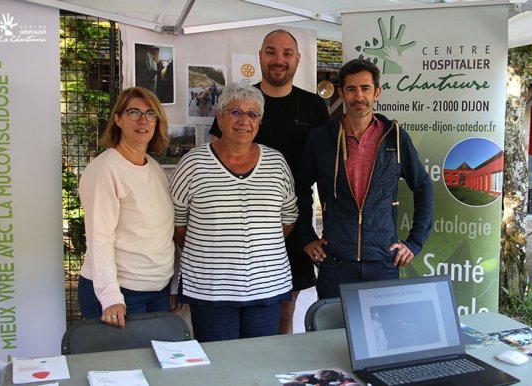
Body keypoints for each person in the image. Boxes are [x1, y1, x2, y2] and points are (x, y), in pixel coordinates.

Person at [209, 29, 329, 334]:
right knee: (232, 317)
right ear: (260, 56)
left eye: (287, 53)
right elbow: (214, 158)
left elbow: (327, 171)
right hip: (234, 232)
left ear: (298, 59)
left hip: (294, 225)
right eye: (271, 52)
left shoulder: (314, 107)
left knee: (284, 313)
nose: (279, 60)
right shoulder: (240, 104)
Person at [170, 82, 298, 342]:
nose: (244, 121)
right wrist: (214, 252)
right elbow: (177, 223)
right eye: (235, 112)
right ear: (219, 116)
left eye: (252, 115)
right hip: (210, 289)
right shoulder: (193, 163)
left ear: (259, 122)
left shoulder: (276, 162)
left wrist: (259, 247)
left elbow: (288, 217)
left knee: (259, 370)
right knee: (219, 368)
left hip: (267, 286)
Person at [297, 59, 433, 299]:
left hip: (383, 261)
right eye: (351, 89)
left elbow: (422, 186)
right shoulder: (321, 139)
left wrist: (415, 242)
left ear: (377, 92)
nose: (358, 96)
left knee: (381, 335)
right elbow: (300, 187)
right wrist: (307, 236)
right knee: (332, 334)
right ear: (341, 93)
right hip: (336, 262)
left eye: (365, 88)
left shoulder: (396, 138)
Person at [78, 87, 175, 328]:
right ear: (118, 119)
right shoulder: (105, 170)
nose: (143, 120)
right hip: (122, 296)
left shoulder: (153, 167)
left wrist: (171, 284)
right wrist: (110, 297)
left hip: (157, 292)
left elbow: (162, 232)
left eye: (151, 114)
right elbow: (99, 239)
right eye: (134, 112)